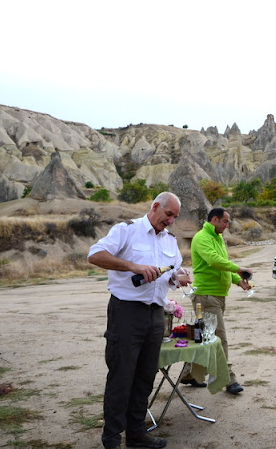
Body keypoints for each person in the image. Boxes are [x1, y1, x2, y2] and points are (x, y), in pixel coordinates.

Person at [88, 192, 184, 449]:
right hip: (126, 312)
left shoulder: (170, 241)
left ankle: (136, 435)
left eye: (175, 216)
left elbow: (172, 275)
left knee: (145, 376)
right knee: (122, 376)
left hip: (156, 315)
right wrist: (133, 266)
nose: (171, 221)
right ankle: (111, 440)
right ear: (155, 206)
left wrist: (178, 277)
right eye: (168, 214)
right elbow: (95, 255)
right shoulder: (127, 230)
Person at [180, 207, 252, 395]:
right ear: (214, 220)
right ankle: (228, 379)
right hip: (206, 297)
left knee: (204, 337)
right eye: (225, 221)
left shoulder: (218, 237)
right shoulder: (201, 238)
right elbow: (213, 261)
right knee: (220, 339)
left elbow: (222, 265)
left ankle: (189, 374)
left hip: (216, 297)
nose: (228, 225)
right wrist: (238, 269)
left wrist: (238, 282)